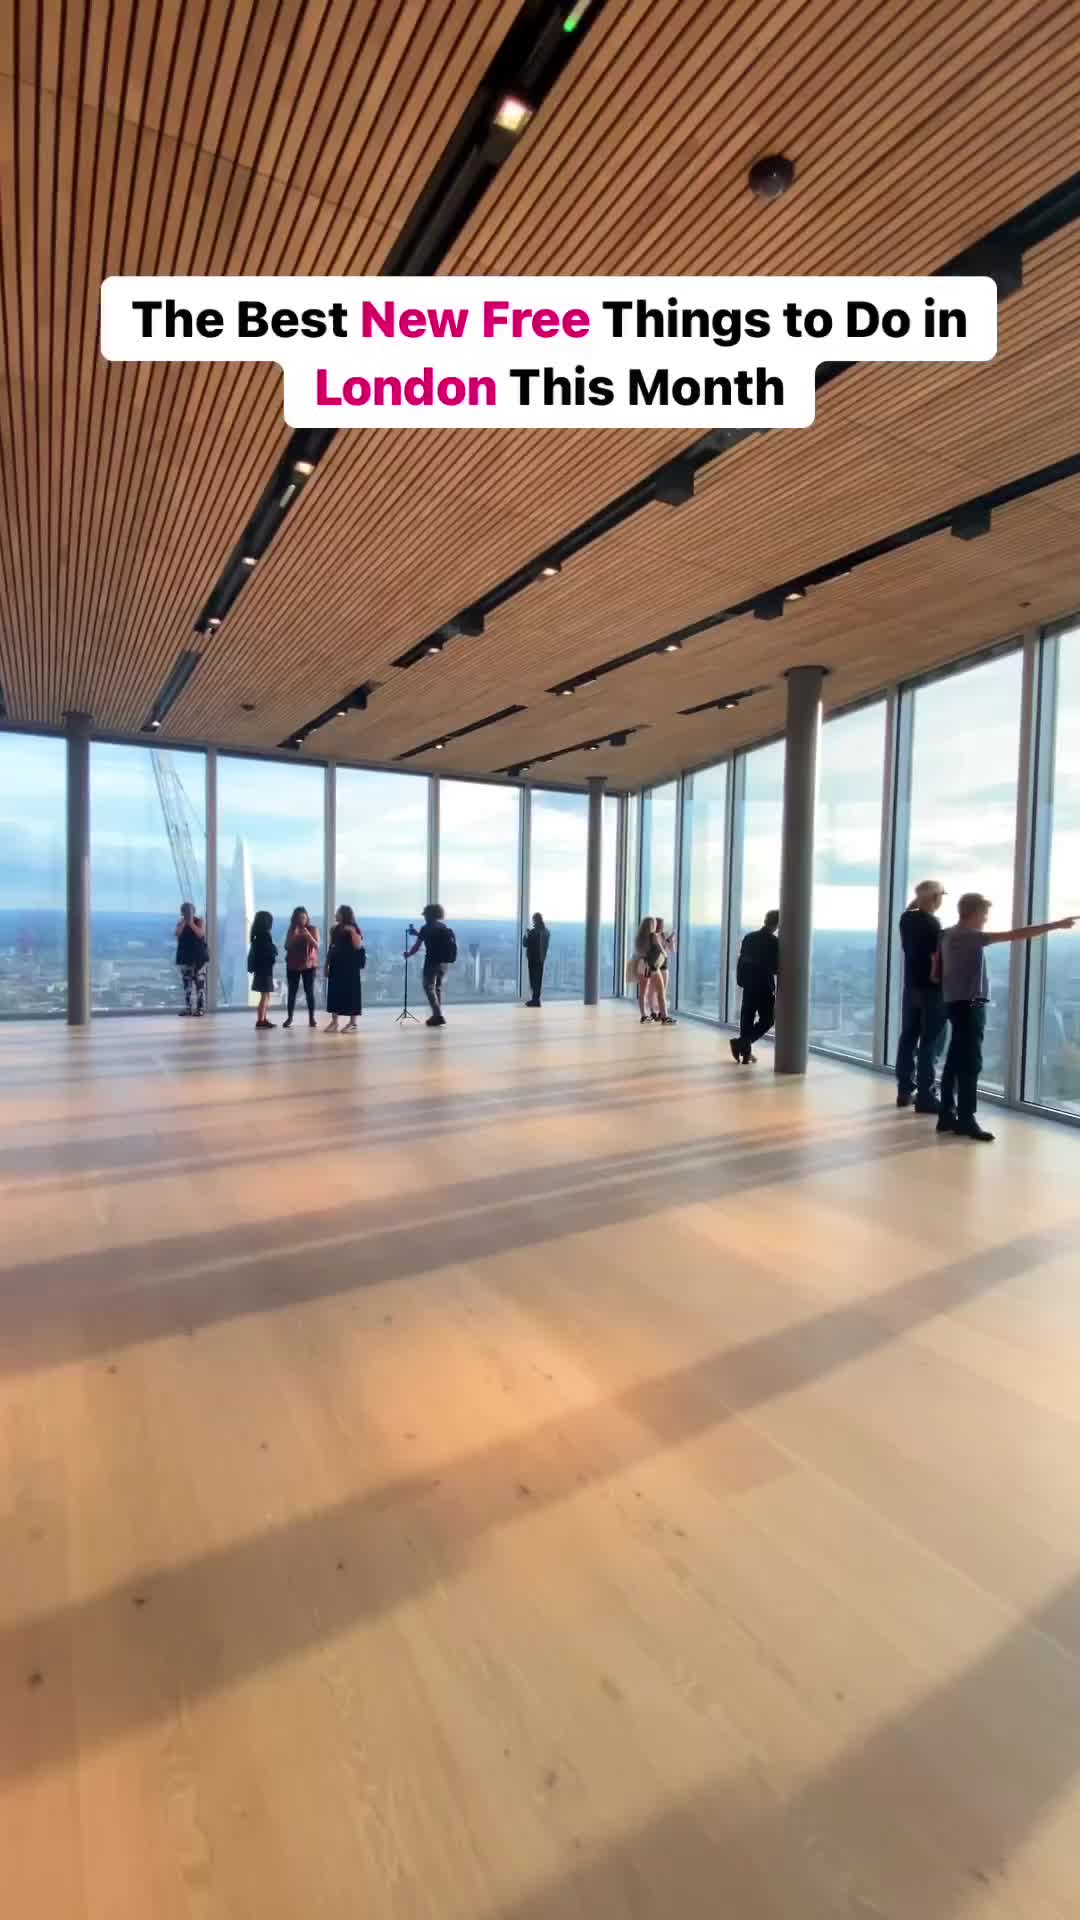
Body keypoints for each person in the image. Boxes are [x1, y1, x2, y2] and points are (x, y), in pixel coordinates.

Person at [936, 894, 1075, 1141]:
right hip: (969, 1006)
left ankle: (947, 1114)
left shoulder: (947, 934)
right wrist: (1056, 925)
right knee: (970, 1063)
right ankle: (966, 1120)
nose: (986, 918)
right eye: (984, 913)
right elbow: (1014, 935)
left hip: (954, 1003)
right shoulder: (968, 936)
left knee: (955, 1061)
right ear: (974, 912)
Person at [895, 880, 947, 1112]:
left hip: (911, 988)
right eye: (940, 896)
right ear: (935, 898)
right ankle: (926, 1096)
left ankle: (904, 1091)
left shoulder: (907, 920)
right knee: (930, 1042)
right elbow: (938, 958)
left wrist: (918, 899)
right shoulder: (934, 925)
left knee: (908, 1038)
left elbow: (909, 909)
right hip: (932, 990)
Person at [731, 910, 780, 1064]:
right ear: (778, 924)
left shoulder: (749, 937)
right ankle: (742, 1044)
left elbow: (743, 959)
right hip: (764, 986)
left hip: (748, 984)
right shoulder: (774, 942)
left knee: (747, 1018)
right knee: (768, 1019)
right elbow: (774, 966)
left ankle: (745, 1053)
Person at [405, 904, 458, 1026]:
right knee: (437, 988)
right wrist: (418, 934)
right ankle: (436, 1015)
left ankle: (437, 1015)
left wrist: (408, 954)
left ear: (429, 915)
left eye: (425, 915)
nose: (424, 917)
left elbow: (417, 946)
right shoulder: (443, 927)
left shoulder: (426, 928)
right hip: (444, 963)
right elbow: (430, 937)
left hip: (431, 962)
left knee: (428, 987)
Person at [325, 905, 365, 1033]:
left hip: (350, 967)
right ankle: (334, 1022)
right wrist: (326, 965)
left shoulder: (354, 929)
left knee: (351, 993)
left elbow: (358, 946)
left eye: (337, 912)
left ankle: (353, 1023)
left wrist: (352, 931)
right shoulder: (334, 929)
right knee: (334, 993)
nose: (335, 914)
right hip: (336, 966)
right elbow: (331, 948)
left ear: (343, 914)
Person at [633, 916, 676, 1026]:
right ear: (652, 925)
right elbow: (663, 952)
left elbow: (639, 953)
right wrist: (666, 946)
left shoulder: (639, 937)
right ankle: (665, 1017)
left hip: (642, 965)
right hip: (652, 967)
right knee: (661, 992)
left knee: (643, 992)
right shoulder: (654, 936)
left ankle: (644, 1016)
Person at [283, 906, 320, 1029]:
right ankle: (290, 1017)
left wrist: (308, 935)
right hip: (293, 965)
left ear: (307, 918)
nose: (302, 920)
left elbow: (317, 945)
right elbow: (286, 946)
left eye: (304, 917)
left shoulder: (312, 929)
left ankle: (311, 1018)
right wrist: (294, 934)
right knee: (292, 992)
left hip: (309, 965)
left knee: (309, 991)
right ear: (294, 919)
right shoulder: (292, 930)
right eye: (299, 918)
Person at [174, 901, 209, 1016]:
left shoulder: (199, 921)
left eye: (190, 912)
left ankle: (200, 1008)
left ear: (194, 912)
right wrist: (185, 923)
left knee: (200, 985)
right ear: (182, 913)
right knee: (187, 985)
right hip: (185, 958)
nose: (188, 914)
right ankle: (188, 1008)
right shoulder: (180, 923)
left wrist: (191, 923)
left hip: (199, 959)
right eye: (185, 912)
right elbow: (177, 933)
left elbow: (200, 934)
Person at [247, 910, 278, 1030]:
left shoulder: (256, 936)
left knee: (266, 995)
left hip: (260, 970)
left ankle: (263, 1018)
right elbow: (270, 953)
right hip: (265, 970)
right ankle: (261, 1020)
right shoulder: (265, 936)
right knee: (265, 996)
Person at [523, 912, 550, 1006]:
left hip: (533, 959)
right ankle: (536, 999)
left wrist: (526, 934)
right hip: (541, 959)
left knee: (533, 979)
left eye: (533, 919)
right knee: (538, 979)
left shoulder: (533, 932)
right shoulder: (546, 931)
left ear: (536, 920)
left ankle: (534, 1000)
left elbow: (525, 944)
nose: (533, 921)